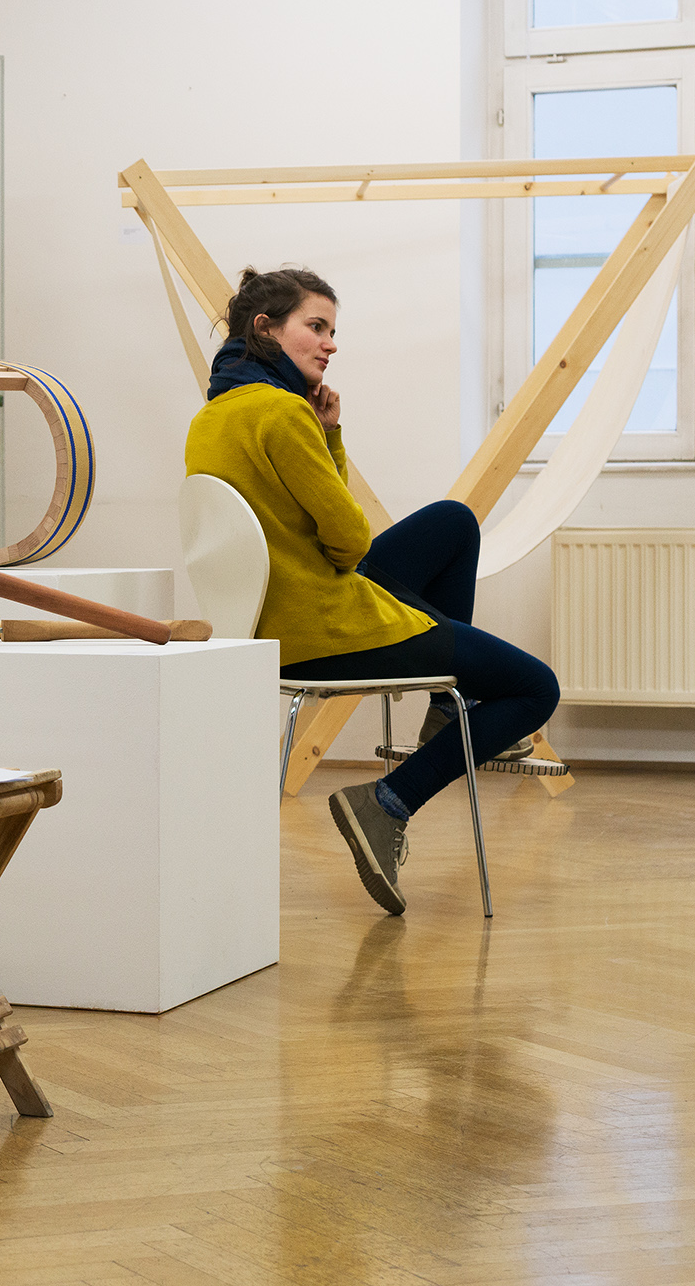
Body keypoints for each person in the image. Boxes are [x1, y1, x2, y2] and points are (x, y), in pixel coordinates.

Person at [184, 266, 559, 915]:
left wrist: (326, 432)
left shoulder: (210, 418)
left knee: (453, 522)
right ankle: (388, 801)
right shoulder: (281, 412)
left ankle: (447, 710)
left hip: (275, 624)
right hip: (328, 628)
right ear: (265, 329)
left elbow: (314, 532)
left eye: (332, 330)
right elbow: (350, 541)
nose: (330, 344)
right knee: (535, 688)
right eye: (316, 326)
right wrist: (322, 437)